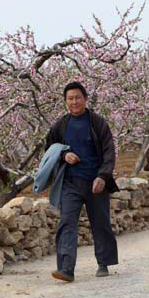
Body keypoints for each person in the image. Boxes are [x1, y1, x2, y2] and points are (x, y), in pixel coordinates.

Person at [45, 81, 119, 282]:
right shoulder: (61, 125)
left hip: (96, 182)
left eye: (78, 97)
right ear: (65, 101)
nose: (74, 102)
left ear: (85, 99)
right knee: (66, 222)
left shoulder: (97, 122)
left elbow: (109, 152)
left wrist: (103, 176)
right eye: (70, 98)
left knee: (100, 223)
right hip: (70, 182)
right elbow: (50, 148)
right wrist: (64, 155)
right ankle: (66, 269)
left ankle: (103, 262)